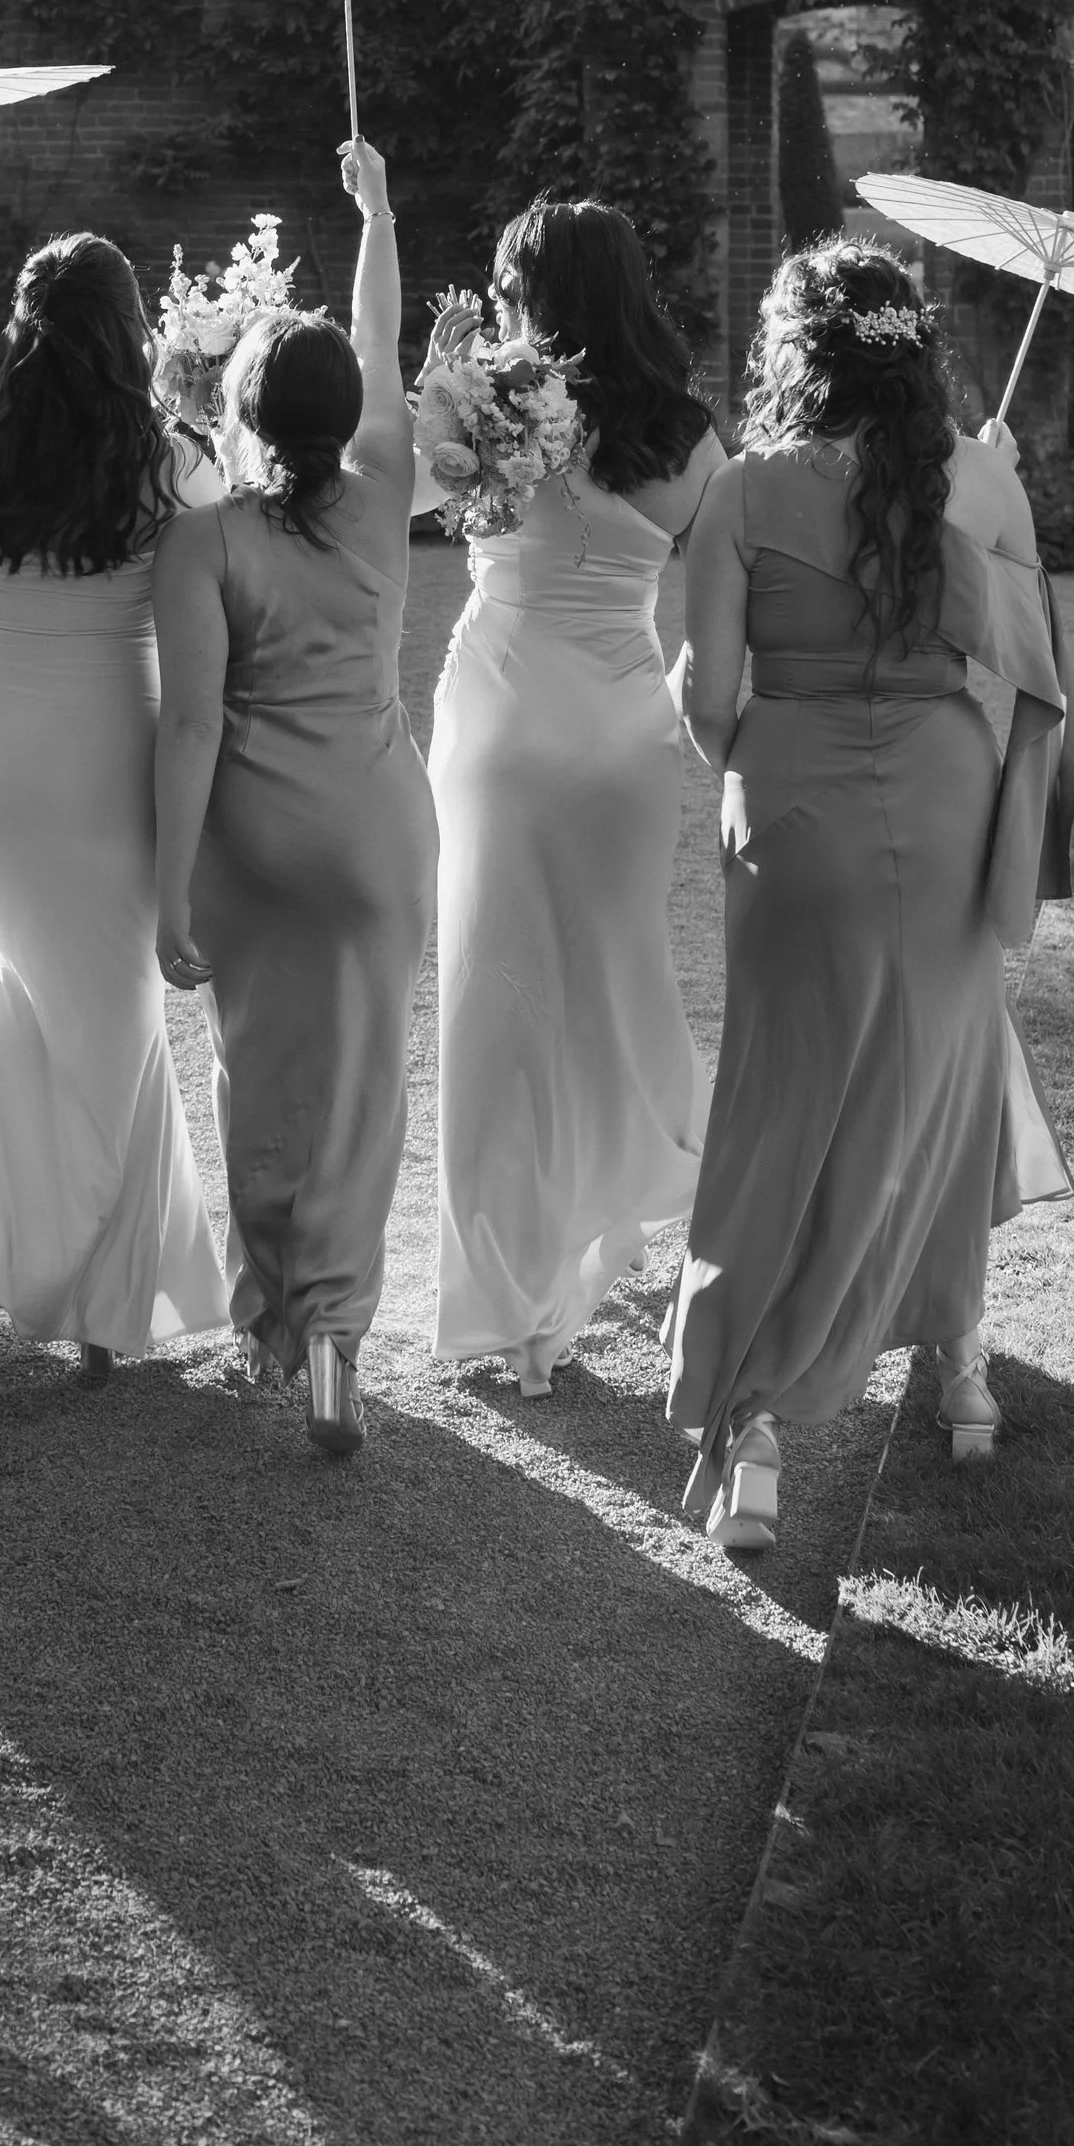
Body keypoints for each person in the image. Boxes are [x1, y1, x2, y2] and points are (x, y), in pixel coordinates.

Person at [665, 239, 1074, 1556]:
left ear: (798, 352)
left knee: (780, 1109)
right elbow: (1022, 657)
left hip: (797, 817)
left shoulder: (743, 491)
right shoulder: (978, 478)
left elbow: (715, 704)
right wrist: (989, 489)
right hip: (948, 810)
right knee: (944, 1088)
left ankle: (756, 1432)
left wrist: (709, 712)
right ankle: (962, 1373)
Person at [0, 235, 225, 1382]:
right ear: (132, 331)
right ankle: (87, 1288)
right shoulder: (175, 468)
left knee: (50, 1000)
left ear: (27, 334)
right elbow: (204, 658)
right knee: (109, 1010)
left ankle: (71, 1269)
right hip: (105, 763)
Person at [151, 141, 437, 1458]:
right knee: (364, 1090)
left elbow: (194, 721)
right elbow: (381, 344)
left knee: (257, 1072)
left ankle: (266, 1319)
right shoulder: (385, 500)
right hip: (377, 832)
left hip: (256, 844)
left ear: (247, 415)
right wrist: (376, 216)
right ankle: (331, 1342)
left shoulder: (207, 537)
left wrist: (168, 891)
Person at [425, 197, 728, 1392]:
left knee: (495, 1008)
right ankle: (671, 1163)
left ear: (531, 299)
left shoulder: (489, 403)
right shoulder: (690, 438)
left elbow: (401, 498)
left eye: (507, 293)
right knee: (611, 982)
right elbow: (716, 624)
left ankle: (515, 1303)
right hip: (623, 744)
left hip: (501, 727)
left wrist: (440, 375)